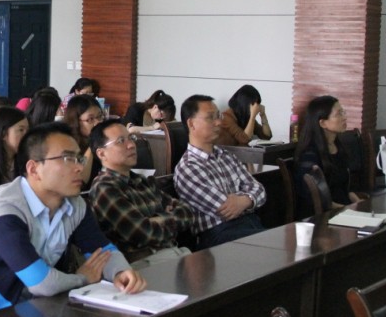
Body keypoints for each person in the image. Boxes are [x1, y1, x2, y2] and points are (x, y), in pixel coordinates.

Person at [0, 122, 147, 317]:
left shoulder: (74, 204)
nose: (79, 168)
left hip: (29, 314)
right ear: (34, 168)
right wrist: (82, 278)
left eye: (79, 159)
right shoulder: (4, 207)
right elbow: (41, 283)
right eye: (67, 159)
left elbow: (102, 250)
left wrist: (121, 272)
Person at [90, 119, 196, 261]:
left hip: (173, 252)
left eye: (131, 138)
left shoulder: (141, 180)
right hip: (142, 263)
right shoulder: (104, 188)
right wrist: (168, 217)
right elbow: (142, 233)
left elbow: (188, 213)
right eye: (121, 141)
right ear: (102, 154)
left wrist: (158, 219)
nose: (131, 145)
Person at [174, 95, 267, 248]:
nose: (218, 122)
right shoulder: (188, 168)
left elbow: (260, 190)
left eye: (218, 116)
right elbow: (224, 208)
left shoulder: (226, 156)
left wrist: (244, 200)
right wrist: (249, 198)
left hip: (250, 224)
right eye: (211, 117)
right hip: (218, 237)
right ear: (191, 124)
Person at [295, 95, 361, 216]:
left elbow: (343, 187)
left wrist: (356, 201)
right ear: (323, 123)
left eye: (343, 112)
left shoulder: (339, 146)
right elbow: (313, 197)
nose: (345, 117)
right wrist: (344, 209)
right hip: (322, 216)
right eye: (339, 114)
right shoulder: (310, 154)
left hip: (344, 211)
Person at [62, 93, 104, 185]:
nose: (98, 123)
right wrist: (92, 144)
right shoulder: (68, 145)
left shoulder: (103, 139)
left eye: (100, 116)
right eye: (90, 119)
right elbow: (81, 179)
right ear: (76, 121)